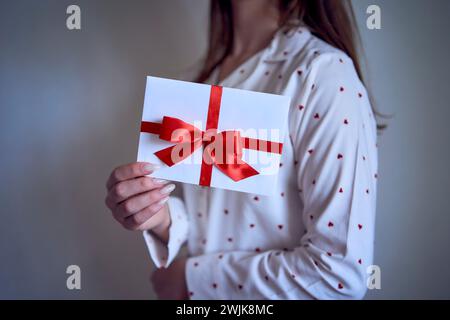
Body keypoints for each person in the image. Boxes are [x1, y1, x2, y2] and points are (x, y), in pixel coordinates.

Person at [104, 0, 379, 299]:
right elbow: (214, 225)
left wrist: (193, 280)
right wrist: (160, 217)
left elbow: (338, 275)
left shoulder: (322, 74)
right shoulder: (202, 79)